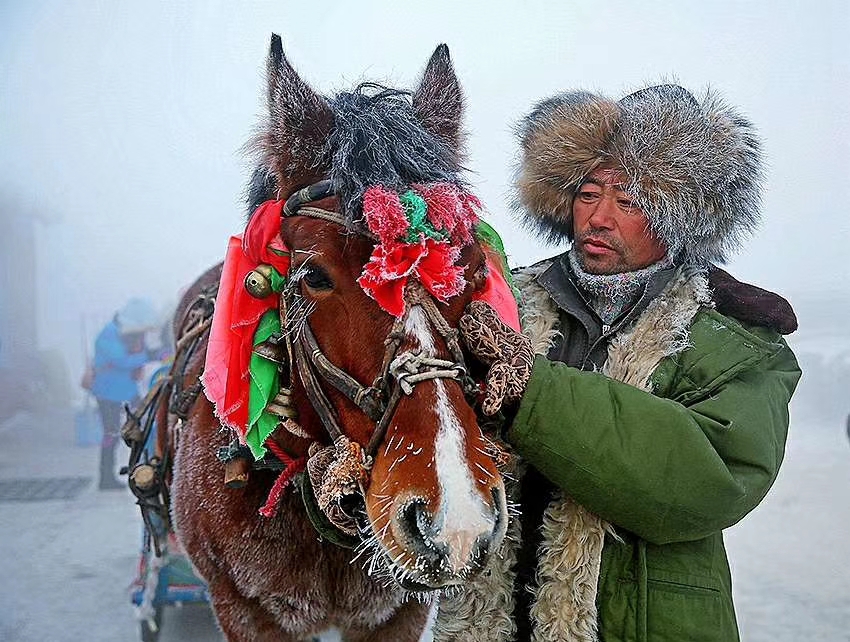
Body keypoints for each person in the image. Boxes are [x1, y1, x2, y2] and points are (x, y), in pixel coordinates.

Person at [456, 85, 801, 642]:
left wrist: (532, 391)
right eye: (588, 194)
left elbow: (707, 481)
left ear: (675, 215)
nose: (598, 217)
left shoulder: (733, 338)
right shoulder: (502, 308)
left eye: (630, 200)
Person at [89, 298, 161, 490]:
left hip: (126, 391)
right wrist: (147, 357)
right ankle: (105, 477)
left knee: (143, 426)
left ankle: (140, 468)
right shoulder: (108, 335)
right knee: (110, 433)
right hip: (107, 394)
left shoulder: (123, 334)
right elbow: (122, 360)